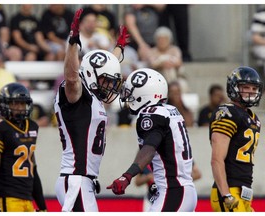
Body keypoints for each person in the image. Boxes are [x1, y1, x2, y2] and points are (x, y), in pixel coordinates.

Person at [54, 9, 129, 212]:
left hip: (82, 179)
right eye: (106, 81)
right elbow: (71, 77)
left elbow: (102, 68)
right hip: (75, 178)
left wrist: (119, 48)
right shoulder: (76, 93)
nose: (109, 86)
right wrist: (73, 41)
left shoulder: (93, 95)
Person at [107, 68, 197, 211]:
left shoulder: (151, 114)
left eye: (131, 93)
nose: (127, 97)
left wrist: (127, 176)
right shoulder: (169, 111)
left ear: (143, 94)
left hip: (172, 191)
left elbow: (149, 148)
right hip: (182, 189)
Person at [0, 83, 47, 212]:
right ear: (4, 105)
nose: (20, 107)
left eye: (22, 103)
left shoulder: (32, 126)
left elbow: (33, 169)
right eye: (15, 103)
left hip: (28, 199)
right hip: (8, 198)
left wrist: (42, 206)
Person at [210, 66, 263, 212]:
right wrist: (226, 194)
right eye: (245, 87)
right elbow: (217, 159)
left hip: (244, 190)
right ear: (233, 88)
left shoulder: (253, 118)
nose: (250, 92)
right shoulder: (228, 113)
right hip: (229, 190)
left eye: (254, 88)